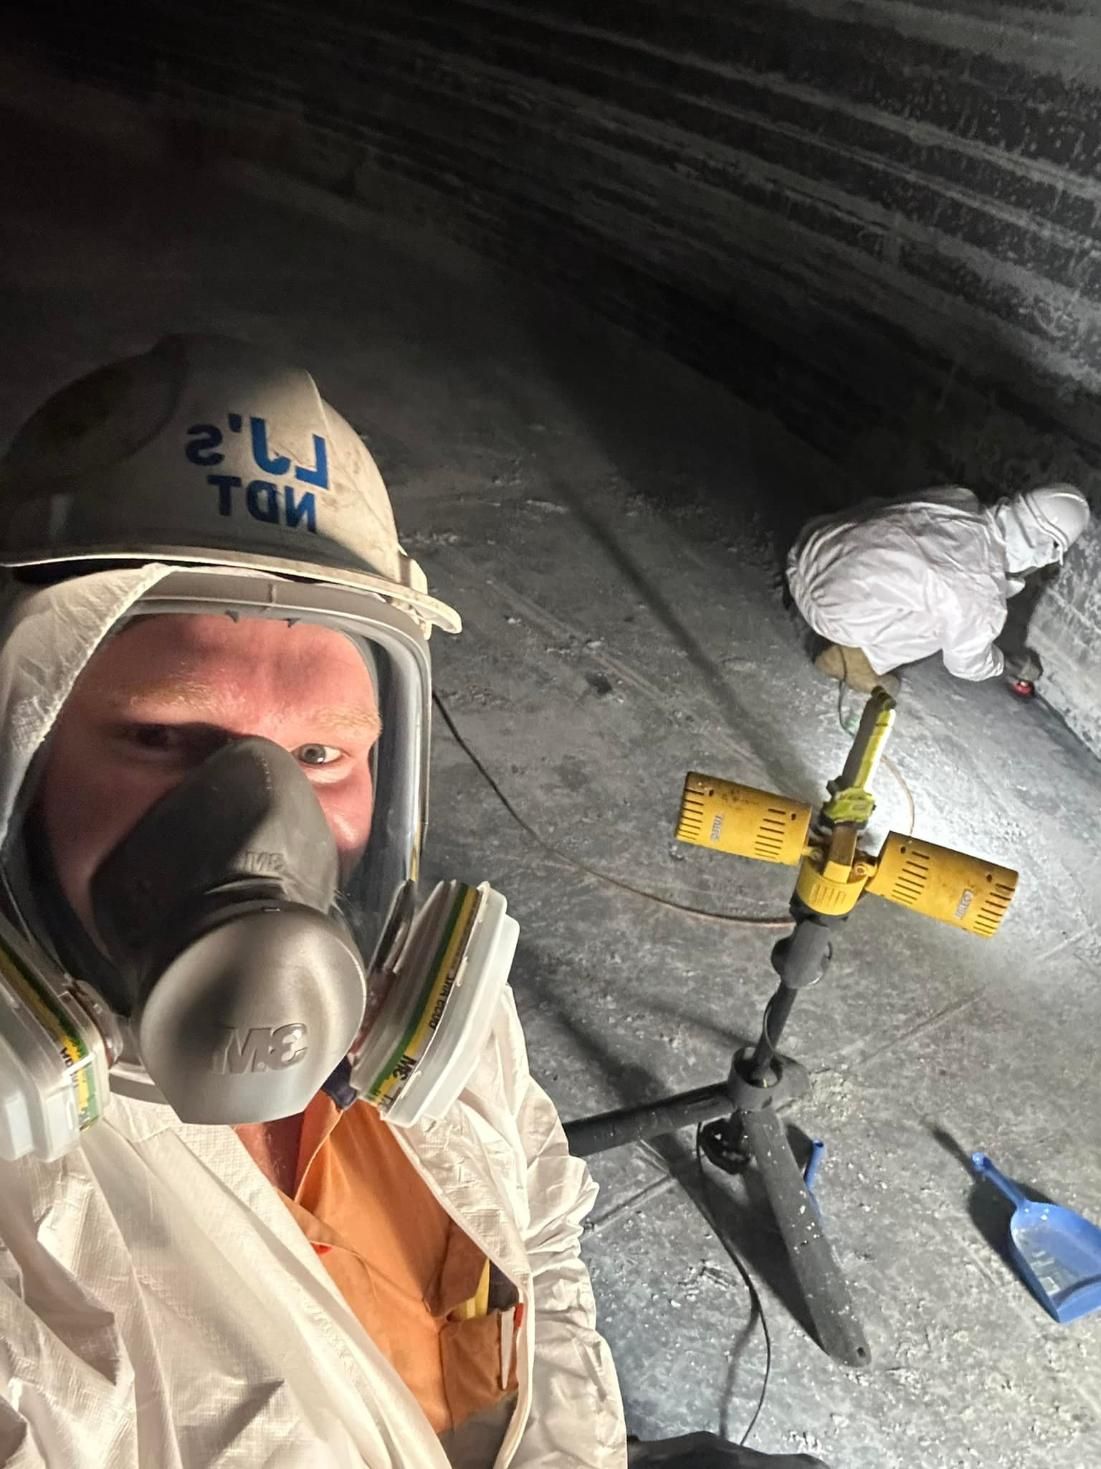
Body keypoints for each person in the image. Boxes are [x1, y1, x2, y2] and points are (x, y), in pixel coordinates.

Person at [0, 336, 827, 1469]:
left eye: (324, 751)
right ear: (20, 747)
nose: (262, 825)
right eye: (163, 734)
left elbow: (538, 1217)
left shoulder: (420, 994)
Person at [785, 484, 1091, 695]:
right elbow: (966, 665)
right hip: (826, 610)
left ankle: (825, 606)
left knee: (917, 568)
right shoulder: (981, 594)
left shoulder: (960, 498)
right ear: (1045, 552)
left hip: (805, 552)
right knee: (947, 618)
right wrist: (1004, 664)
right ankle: (850, 661)